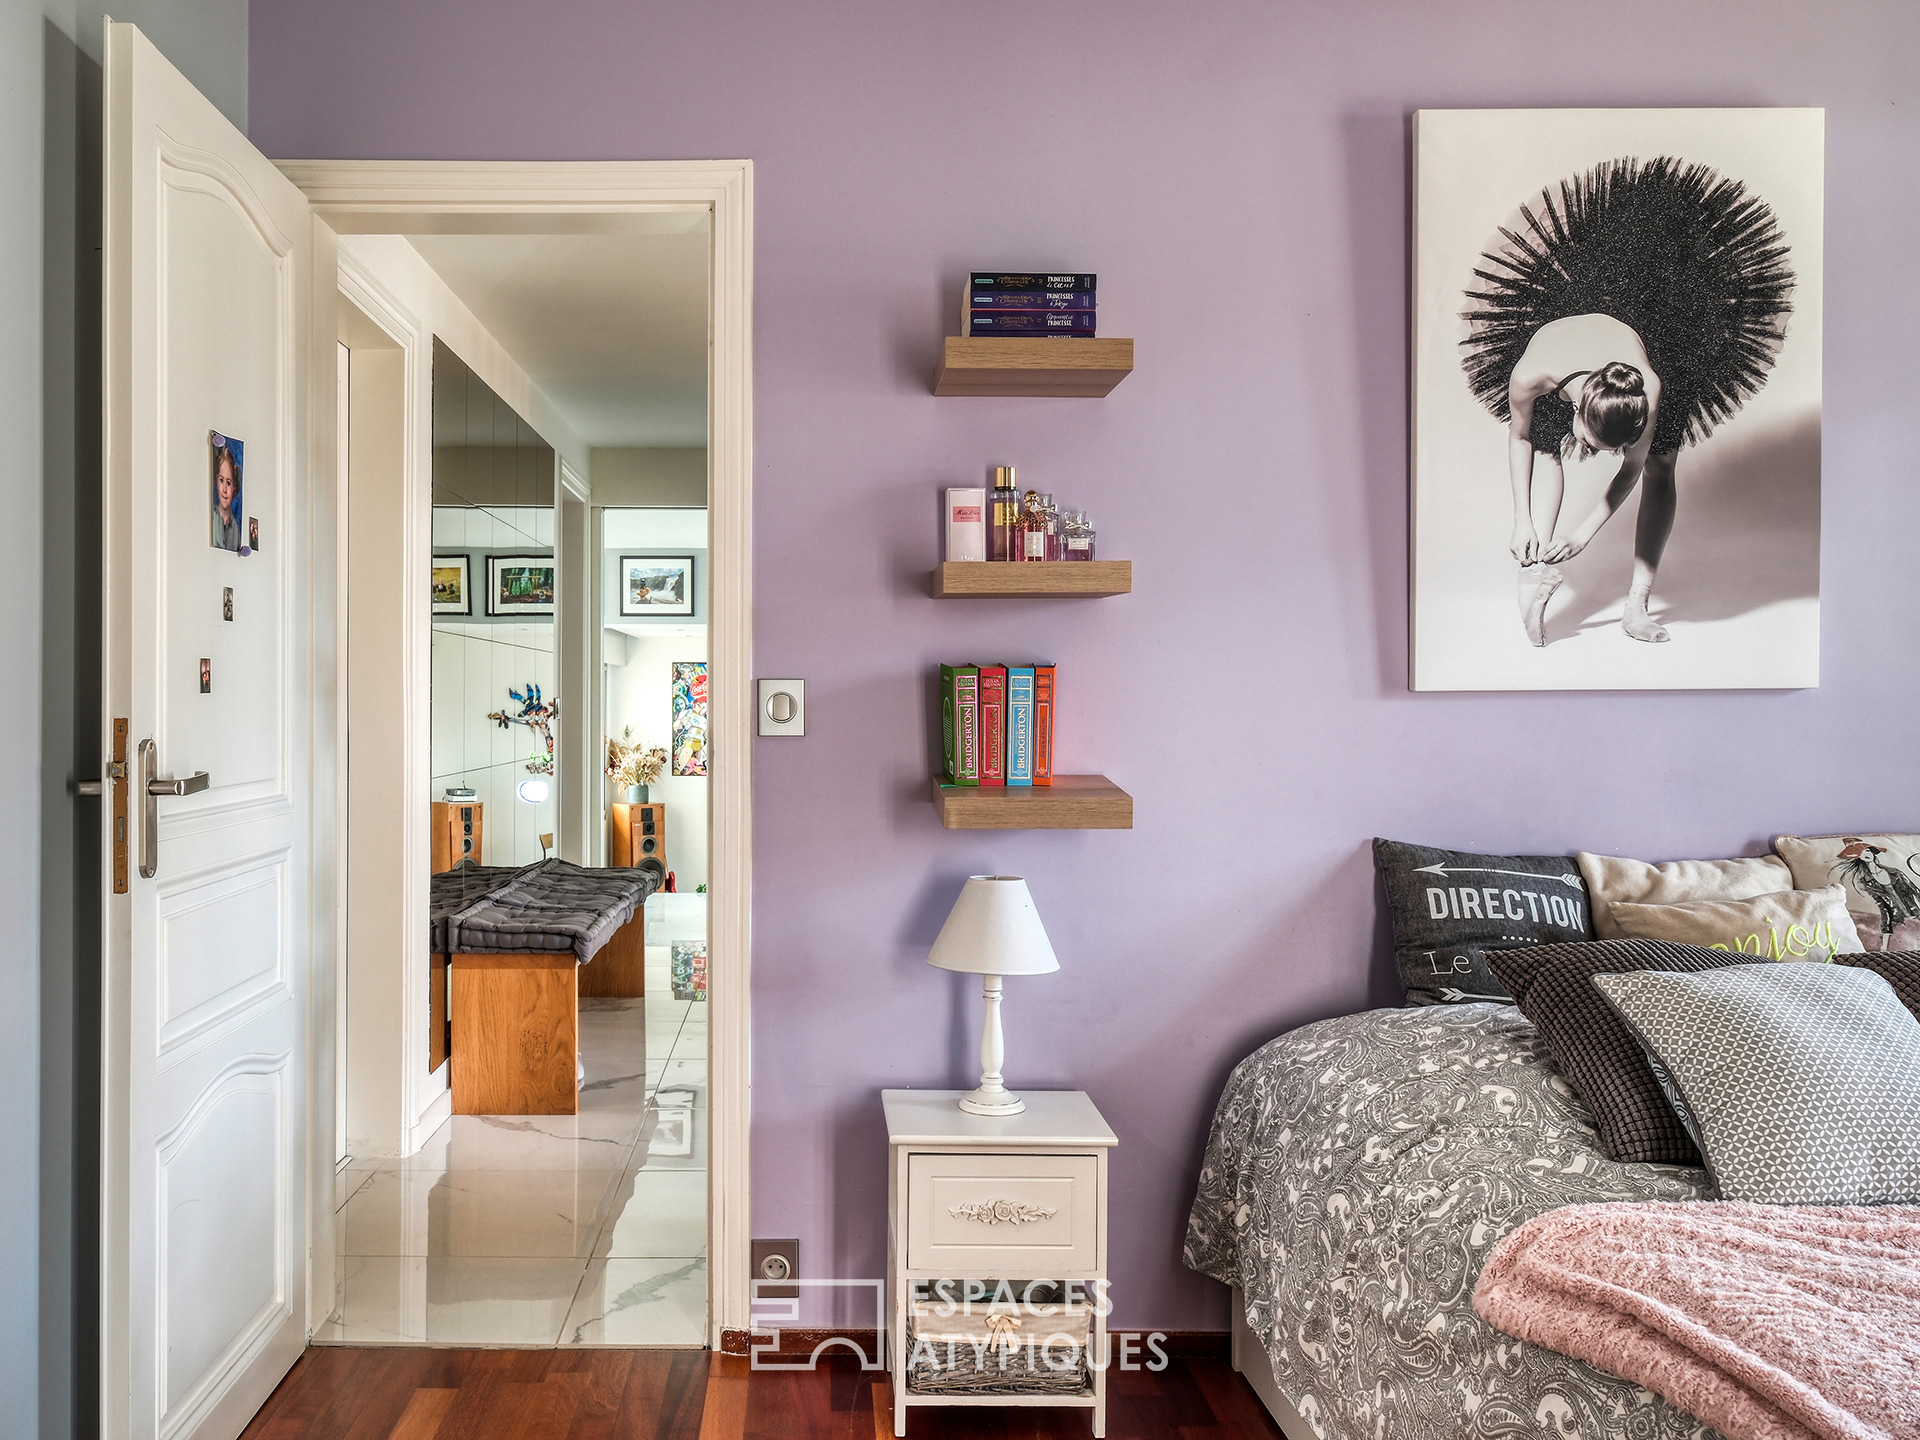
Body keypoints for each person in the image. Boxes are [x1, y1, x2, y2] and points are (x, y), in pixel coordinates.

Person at [1462, 156, 1795, 647]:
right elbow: (1520, 437)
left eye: (1605, 448)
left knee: (1661, 466)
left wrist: (1582, 535)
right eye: (1592, 443)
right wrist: (1522, 521)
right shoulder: (1530, 376)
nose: (1593, 454)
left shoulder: (1649, 387)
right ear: (1577, 407)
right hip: (1600, 286)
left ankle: (1637, 603)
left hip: (1665, 323)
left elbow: (1632, 470)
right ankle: (1534, 572)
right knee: (1547, 444)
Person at [212, 442, 242, 552]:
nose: (224, 489)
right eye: (221, 480)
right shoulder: (212, 517)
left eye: (228, 483)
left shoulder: (235, 527)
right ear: (216, 480)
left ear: (234, 487)